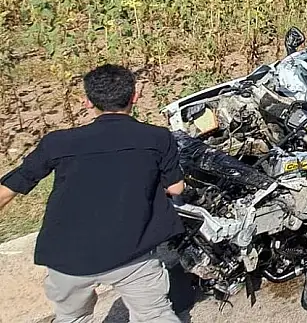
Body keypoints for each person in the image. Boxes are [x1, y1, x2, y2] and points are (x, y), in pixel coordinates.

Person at [0, 64, 185, 323]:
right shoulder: (157, 138)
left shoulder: (57, 142)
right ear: (135, 96)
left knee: (72, 318)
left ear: (87, 102)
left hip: (66, 260)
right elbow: (175, 188)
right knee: (155, 315)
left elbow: (8, 189)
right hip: (132, 256)